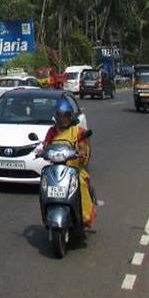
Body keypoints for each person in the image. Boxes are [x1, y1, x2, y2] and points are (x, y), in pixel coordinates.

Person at [37, 97, 96, 228]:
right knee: (44, 183)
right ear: (56, 116)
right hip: (56, 168)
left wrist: (81, 152)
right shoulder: (52, 131)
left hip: (74, 169)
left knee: (81, 182)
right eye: (61, 116)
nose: (64, 119)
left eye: (66, 116)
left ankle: (84, 216)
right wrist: (42, 151)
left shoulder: (77, 131)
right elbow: (46, 145)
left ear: (70, 116)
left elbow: (83, 146)